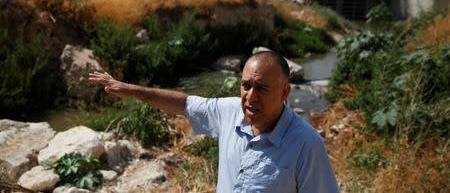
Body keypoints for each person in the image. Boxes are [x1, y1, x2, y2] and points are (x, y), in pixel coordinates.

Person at [89, 51, 339, 192]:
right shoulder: (230, 111)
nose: (251, 97)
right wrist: (131, 90)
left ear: (285, 93)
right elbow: (183, 104)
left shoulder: (306, 144)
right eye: (246, 86)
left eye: (262, 88)